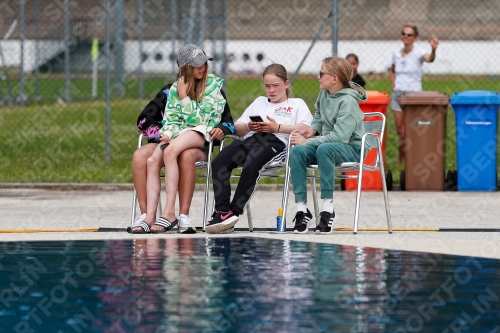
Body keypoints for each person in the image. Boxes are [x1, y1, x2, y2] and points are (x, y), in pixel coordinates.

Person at [129, 44, 235, 234]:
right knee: (144, 157)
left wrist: (220, 128)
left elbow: (225, 122)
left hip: (200, 141)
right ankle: (147, 215)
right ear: (183, 68)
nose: (201, 67)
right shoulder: (169, 91)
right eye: (196, 65)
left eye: (203, 62)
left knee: (183, 155)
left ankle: (180, 215)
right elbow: (146, 120)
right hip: (172, 137)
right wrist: (162, 134)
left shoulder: (214, 87)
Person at [205, 63, 313, 234]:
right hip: (251, 139)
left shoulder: (296, 104)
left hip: (276, 143)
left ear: (286, 84)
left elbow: (307, 128)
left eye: (276, 85)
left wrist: (277, 128)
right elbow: (238, 128)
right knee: (219, 161)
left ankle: (234, 211)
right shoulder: (259, 102)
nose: (271, 90)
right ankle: (223, 211)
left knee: (252, 161)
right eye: (267, 86)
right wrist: (250, 125)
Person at [288, 56, 369, 234]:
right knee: (297, 151)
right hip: (330, 146)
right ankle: (302, 209)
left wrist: (308, 140)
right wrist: (313, 130)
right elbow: (318, 114)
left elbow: (339, 137)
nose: (318, 77)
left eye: (321, 73)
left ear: (334, 79)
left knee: (324, 148)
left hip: (353, 148)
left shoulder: (348, 102)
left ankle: (328, 209)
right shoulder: (325, 92)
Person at [390, 24, 438, 164]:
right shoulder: (396, 53)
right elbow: (392, 70)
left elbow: (430, 59)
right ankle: (402, 159)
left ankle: (414, 158)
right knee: (401, 132)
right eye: (404, 33)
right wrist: (393, 82)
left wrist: (433, 49)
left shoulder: (419, 52)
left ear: (415, 38)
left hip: (413, 95)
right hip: (398, 94)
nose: (406, 36)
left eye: (409, 34)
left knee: (413, 130)